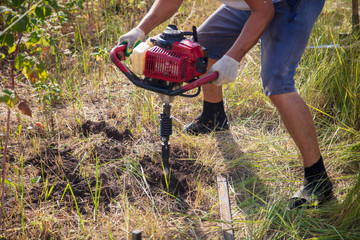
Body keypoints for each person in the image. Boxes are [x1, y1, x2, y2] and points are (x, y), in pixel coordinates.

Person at [117, 0, 333, 209]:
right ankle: (214, 117)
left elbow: (264, 12)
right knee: (202, 48)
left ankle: (317, 179)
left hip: (291, 3)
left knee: (278, 82)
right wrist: (140, 30)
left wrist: (232, 58)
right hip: (256, 3)